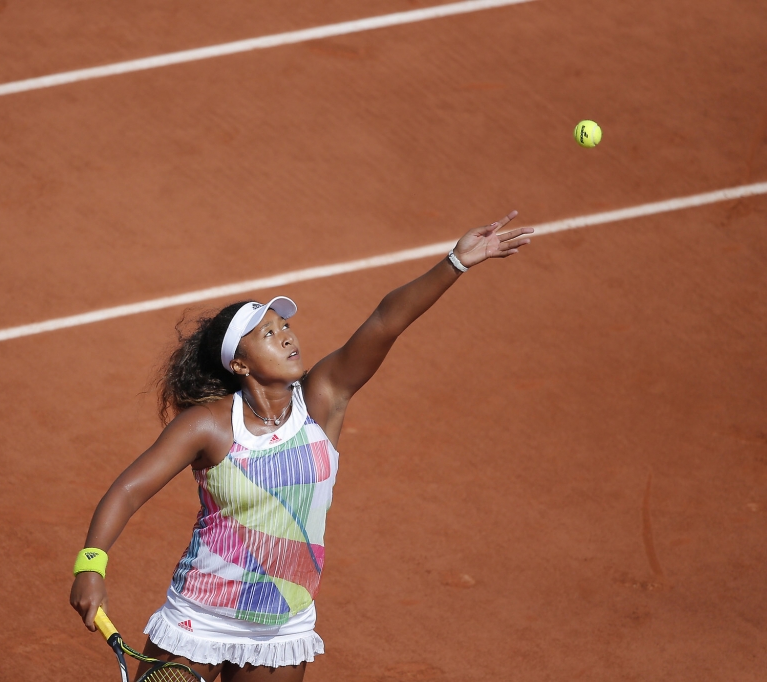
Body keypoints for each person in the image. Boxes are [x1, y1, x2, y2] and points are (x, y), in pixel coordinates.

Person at [70, 211, 531, 681]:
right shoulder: (208, 425)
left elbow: (384, 323)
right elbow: (128, 490)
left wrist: (456, 261)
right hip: (200, 616)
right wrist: (91, 564)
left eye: (283, 326)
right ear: (242, 366)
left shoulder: (323, 401)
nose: (286, 335)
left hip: (282, 627)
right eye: (267, 334)